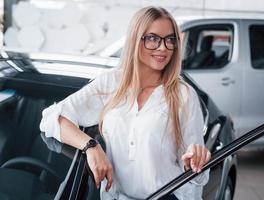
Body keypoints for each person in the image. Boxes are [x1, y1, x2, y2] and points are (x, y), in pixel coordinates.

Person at [40, 6, 211, 200]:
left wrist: (195, 158)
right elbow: (52, 118)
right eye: (153, 38)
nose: (163, 47)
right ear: (135, 40)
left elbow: (195, 169)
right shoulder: (111, 82)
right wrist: (91, 147)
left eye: (170, 40)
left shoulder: (184, 95)